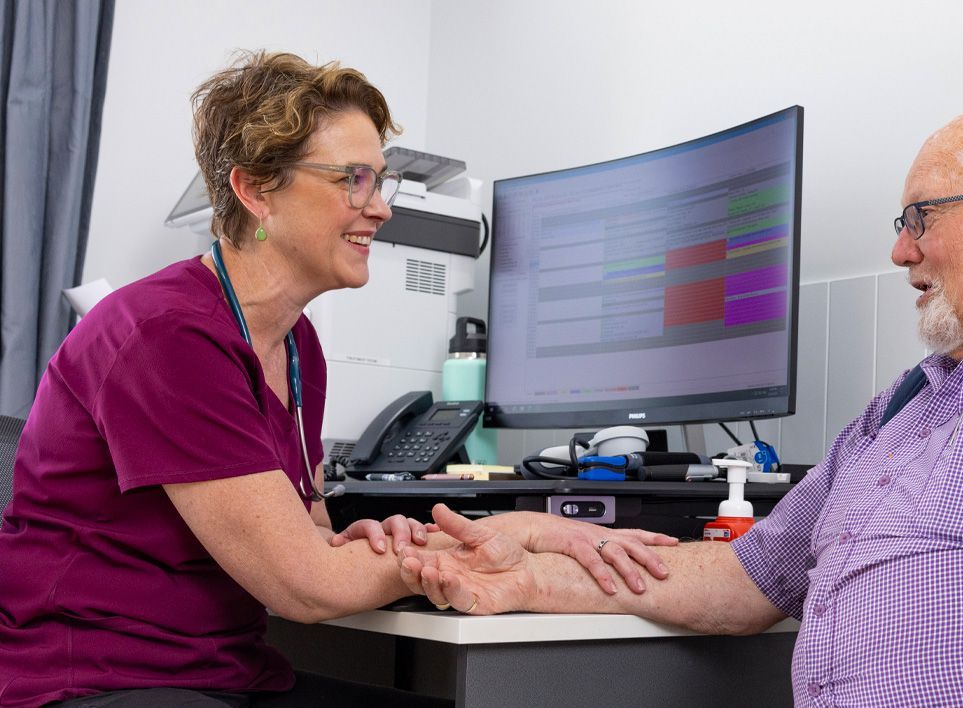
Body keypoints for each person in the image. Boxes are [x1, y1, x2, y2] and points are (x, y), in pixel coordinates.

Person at [397, 106, 963, 706]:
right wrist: (536, 564)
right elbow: (744, 581)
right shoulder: (896, 410)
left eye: (922, 216)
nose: (901, 251)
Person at [0, 51, 676, 708]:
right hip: (97, 679)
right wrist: (501, 544)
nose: (379, 208)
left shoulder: (296, 345)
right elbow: (308, 585)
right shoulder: (166, 334)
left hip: (226, 674)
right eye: (353, 179)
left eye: (378, 182)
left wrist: (513, 530)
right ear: (256, 189)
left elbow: (312, 533)